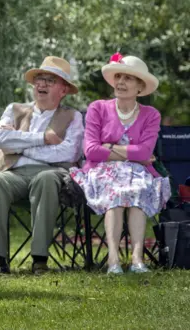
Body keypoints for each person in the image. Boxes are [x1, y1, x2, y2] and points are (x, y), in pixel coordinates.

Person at [0, 56, 84, 275]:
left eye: (50, 80)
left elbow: (69, 152)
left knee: (45, 179)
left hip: (51, 174)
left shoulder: (73, 116)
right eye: (39, 79)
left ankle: (39, 259)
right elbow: (0, 140)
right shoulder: (14, 109)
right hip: (14, 174)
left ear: (63, 90)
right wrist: (43, 139)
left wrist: (19, 145)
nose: (41, 84)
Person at [70, 54, 170, 274]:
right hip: (102, 172)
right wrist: (132, 154)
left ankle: (137, 259)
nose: (121, 83)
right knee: (114, 194)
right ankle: (113, 260)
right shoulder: (98, 108)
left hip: (139, 172)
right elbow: (91, 151)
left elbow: (145, 152)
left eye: (129, 79)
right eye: (119, 77)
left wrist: (110, 147)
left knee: (138, 192)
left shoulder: (150, 114)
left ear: (140, 87)